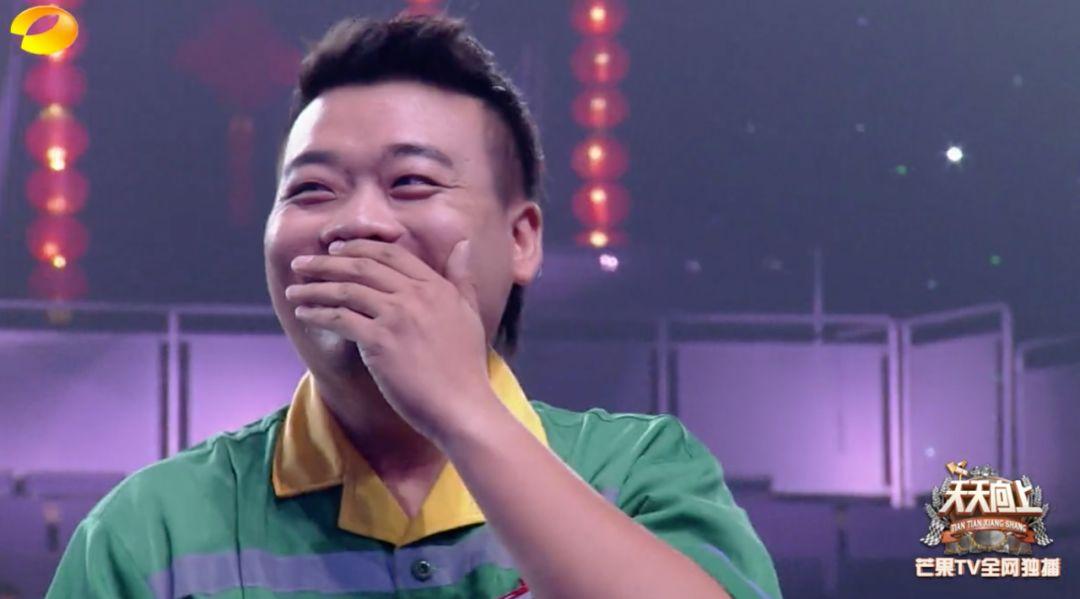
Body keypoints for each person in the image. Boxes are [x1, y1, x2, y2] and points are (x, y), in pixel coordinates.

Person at [46, 14, 781, 599]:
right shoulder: (148, 535)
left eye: (412, 183)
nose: (358, 223)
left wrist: (461, 409)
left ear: (521, 239)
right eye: (312, 190)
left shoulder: (640, 475)